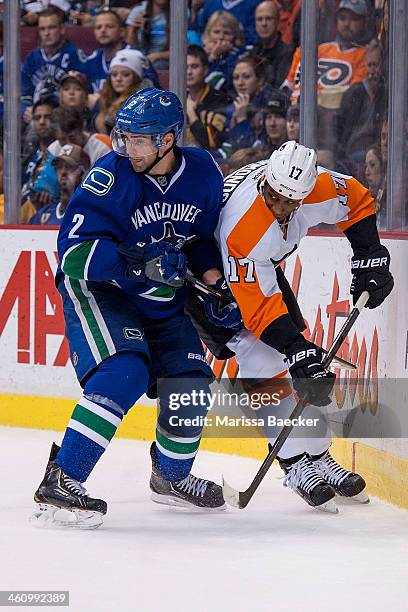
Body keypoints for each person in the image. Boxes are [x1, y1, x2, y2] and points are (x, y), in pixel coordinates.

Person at [32, 87, 227, 529]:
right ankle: (62, 478)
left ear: (168, 140)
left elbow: (199, 241)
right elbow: (73, 256)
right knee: (126, 372)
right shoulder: (111, 177)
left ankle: (172, 477)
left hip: (160, 300)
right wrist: (138, 262)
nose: (126, 147)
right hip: (102, 291)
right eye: (123, 137)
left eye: (138, 140)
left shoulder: (202, 173)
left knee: (190, 383)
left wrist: (215, 285)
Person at [208, 140, 393, 512]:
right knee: (262, 359)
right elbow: (258, 311)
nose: (279, 208)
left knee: (305, 363)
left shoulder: (316, 187)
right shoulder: (244, 227)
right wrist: (295, 350)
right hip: (210, 270)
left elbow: (355, 200)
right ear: (265, 182)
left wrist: (369, 255)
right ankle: (293, 464)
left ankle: (318, 454)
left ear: (305, 193)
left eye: (289, 203)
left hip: (262, 264)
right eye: (273, 197)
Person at [282, 0, 369, 106]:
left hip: (333, 115)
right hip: (296, 111)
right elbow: (288, 88)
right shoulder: (312, 51)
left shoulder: (366, 55)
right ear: (336, 21)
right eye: (342, 18)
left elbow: (352, 96)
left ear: (364, 23)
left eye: (354, 19)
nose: (347, 24)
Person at [21, 7, 87, 123]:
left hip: (65, 115)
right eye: (42, 29)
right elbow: (25, 94)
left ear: (62, 29)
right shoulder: (32, 58)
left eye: (51, 28)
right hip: (36, 115)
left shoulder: (74, 55)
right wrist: (26, 110)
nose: (46, 33)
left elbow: (81, 94)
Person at [336, 39, 386, 170]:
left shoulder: (388, 93)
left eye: (376, 65)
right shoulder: (353, 93)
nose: (372, 71)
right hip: (352, 153)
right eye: (369, 66)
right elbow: (340, 130)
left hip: (378, 154)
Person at [84, 9, 159, 96]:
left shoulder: (137, 58)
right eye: (98, 27)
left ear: (122, 32)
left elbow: (153, 95)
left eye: (109, 26)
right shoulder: (91, 60)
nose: (103, 30)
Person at [29, 143, 90, 226]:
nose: (63, 172)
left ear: (83, 173)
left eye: (69, 167)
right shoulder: (44, 214)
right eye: (59, 167)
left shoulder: (90, 213)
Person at [94, 48, 152, 134]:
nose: (118, 79)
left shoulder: (143, 104)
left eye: (125, 74)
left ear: (136, 78)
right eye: (114, 74)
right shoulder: (104, 100)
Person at [185, 45, 229, 151]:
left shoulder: (218, 99)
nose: (189, 72)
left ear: (205, 70)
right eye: (185, 67)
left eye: (194, 66)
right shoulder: (176, 97)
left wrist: (191, 113)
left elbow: (212, 141)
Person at [251, 0, 293, 89]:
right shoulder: (252, 53)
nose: (264, 23)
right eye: (259, 19)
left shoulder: (288, 53)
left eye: (269, 18)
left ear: (278, 22)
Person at [202, 10, 245, 92]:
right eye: (216, 32)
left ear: (235, 36)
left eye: (227, 33)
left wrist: (216, 56)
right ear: (208, 33)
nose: (221, 37)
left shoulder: (240, 56)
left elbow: (222, 82)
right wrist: (212, 57)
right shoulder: (201, 54)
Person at [126, 0, 170, 69]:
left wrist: (157, 56)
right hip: (139, 58)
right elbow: (128, 46)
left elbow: (184, 50)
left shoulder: (179, 11)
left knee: (158, 65)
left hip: (165, 61)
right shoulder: (139, 11)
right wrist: (134, 29)